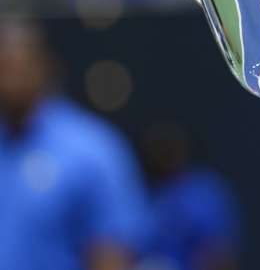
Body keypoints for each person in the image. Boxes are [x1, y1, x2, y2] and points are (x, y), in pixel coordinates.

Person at [0, 17, 149, 270]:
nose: (8, 80)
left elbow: (112, 254)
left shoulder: (91, 149)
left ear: (43, 67)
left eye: (16, 67)